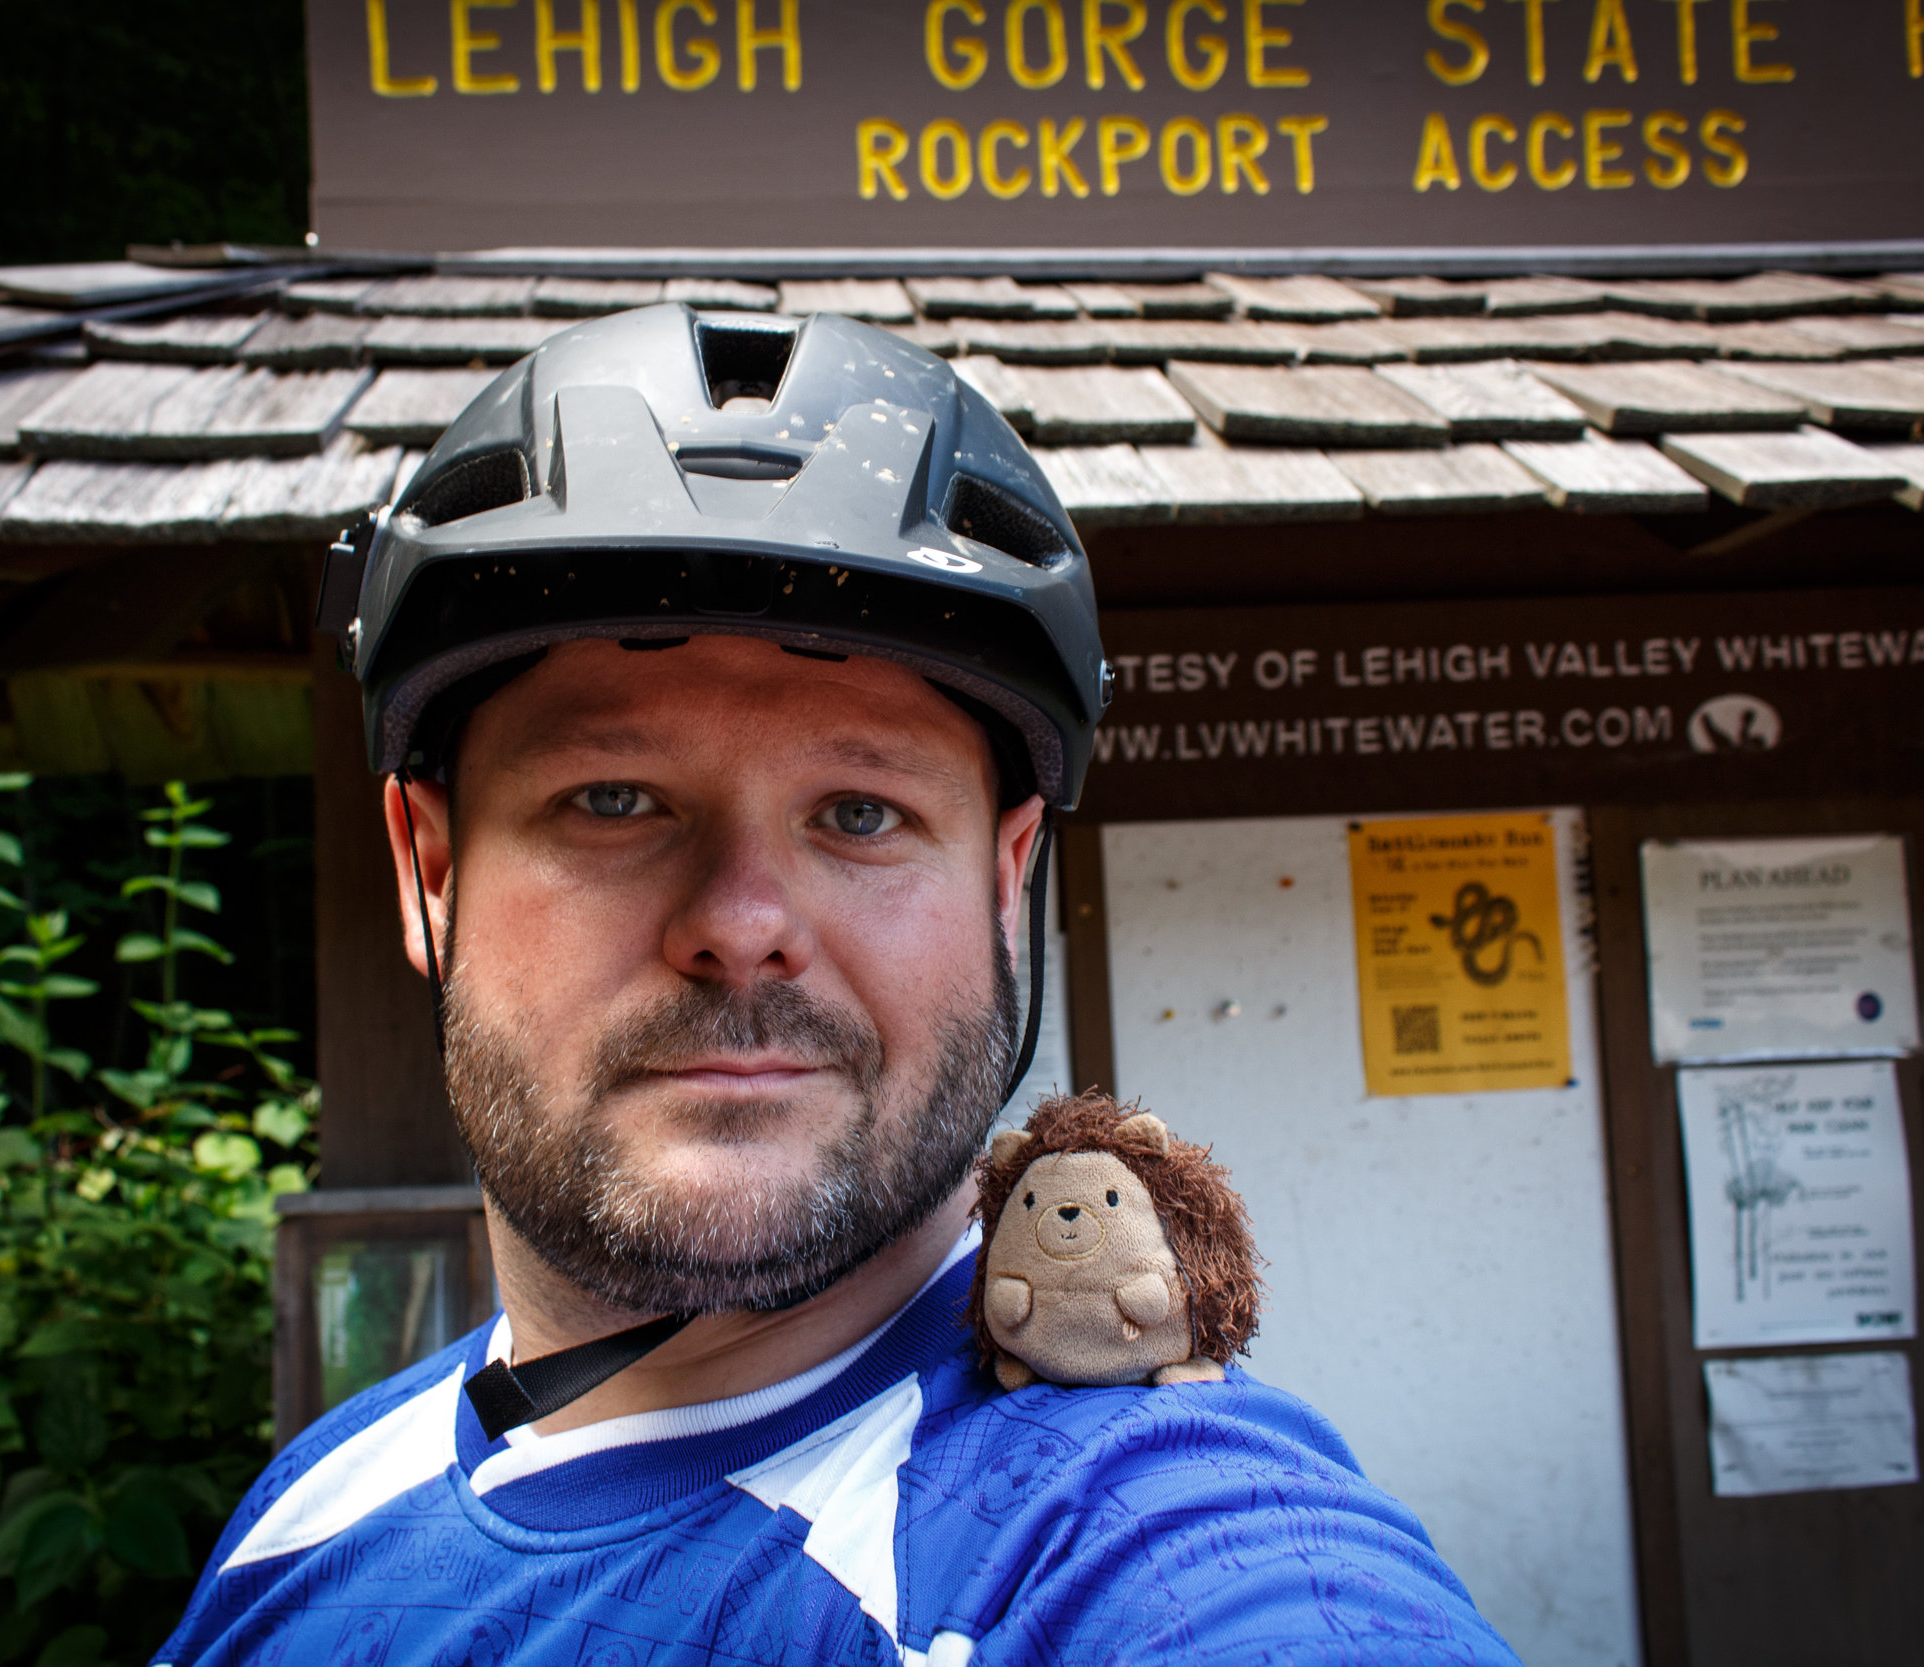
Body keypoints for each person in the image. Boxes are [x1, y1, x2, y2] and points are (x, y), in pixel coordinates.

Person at [156, 304, 1520, 1666]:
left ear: (1005, 881)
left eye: (862, 814)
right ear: (428, 874)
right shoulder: (313, 1513)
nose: (742, 925)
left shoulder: (1156, 1545)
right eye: (614, 798)